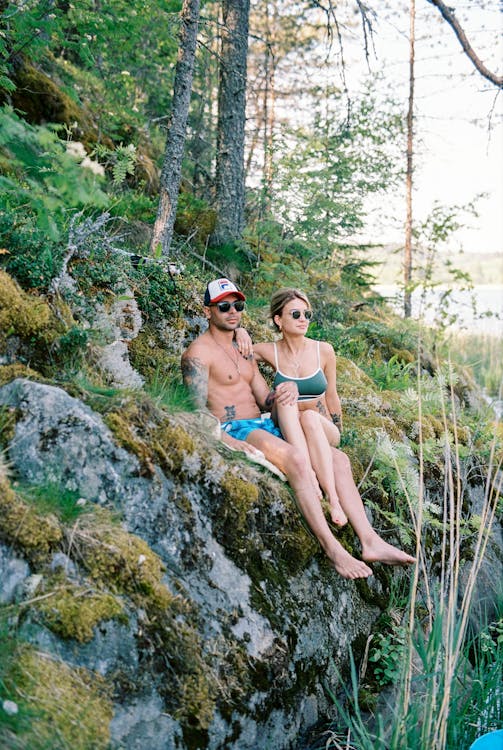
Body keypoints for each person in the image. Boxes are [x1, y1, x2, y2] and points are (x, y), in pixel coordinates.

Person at [181, 278, 415, 580]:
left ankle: (370, 541)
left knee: (339, 460)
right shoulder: (197, 355)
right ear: (206, 311)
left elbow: (266, 401)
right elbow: (194, 410)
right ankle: (334, 550)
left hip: (263, 422)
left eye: (237, 305)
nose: (232, 312)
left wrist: (285, 393)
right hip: (236, 427)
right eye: (223, 306)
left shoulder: (244, 351)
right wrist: (224, 437)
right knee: (296, 459)